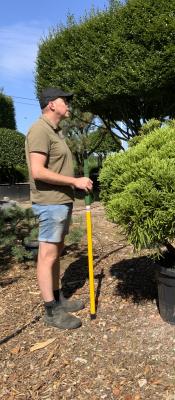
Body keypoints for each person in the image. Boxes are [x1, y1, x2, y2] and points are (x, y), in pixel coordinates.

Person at [25, 87, 93, 329]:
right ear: (51, 104)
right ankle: (51, 310)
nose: (68, 105)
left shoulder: (55, 131)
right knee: (48, 255)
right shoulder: (39, 130)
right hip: (50, 202)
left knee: (56, 254)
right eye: (64, 100)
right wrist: (74, 181)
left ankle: (58, 298)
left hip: (60, 201)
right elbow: (38, 171)